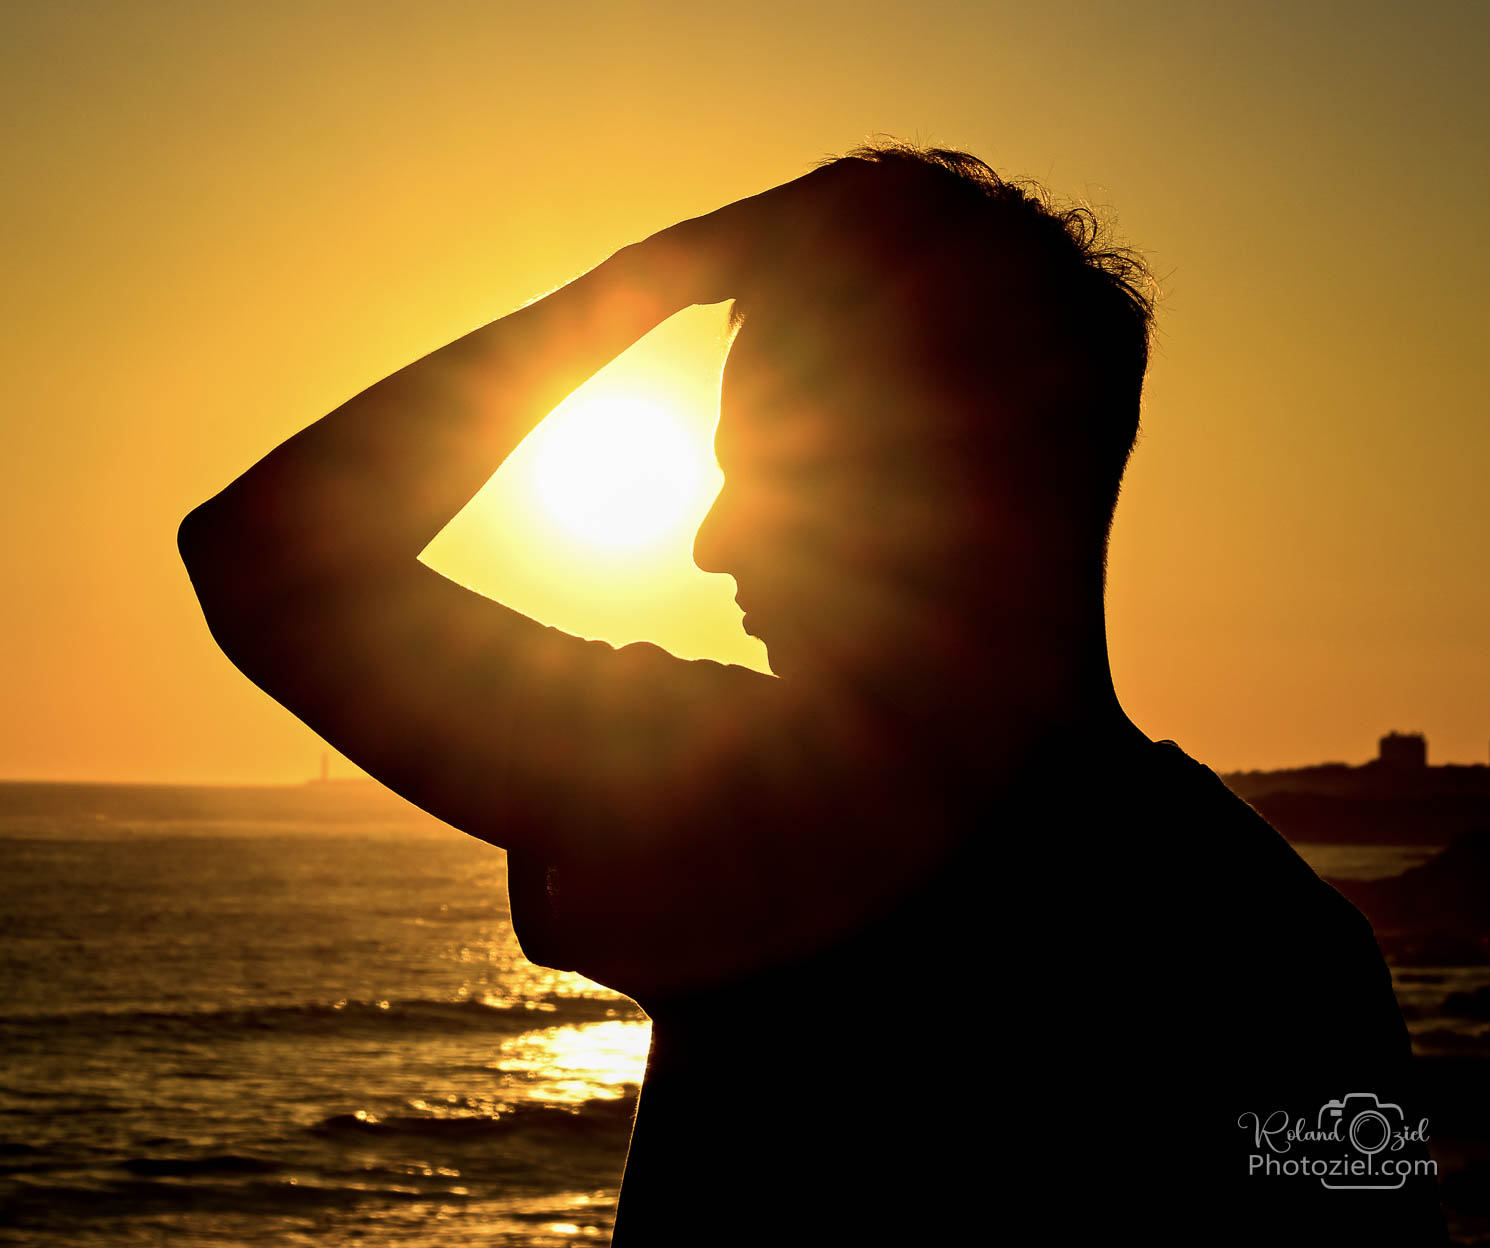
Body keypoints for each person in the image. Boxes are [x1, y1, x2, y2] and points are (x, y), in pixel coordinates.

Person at [179, 142, 1446, 1244]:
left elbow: (264, 559)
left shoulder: (747, 800)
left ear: (940, 497)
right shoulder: (1282, 945)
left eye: (768, 478)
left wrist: (654, 275)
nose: (709, 543)